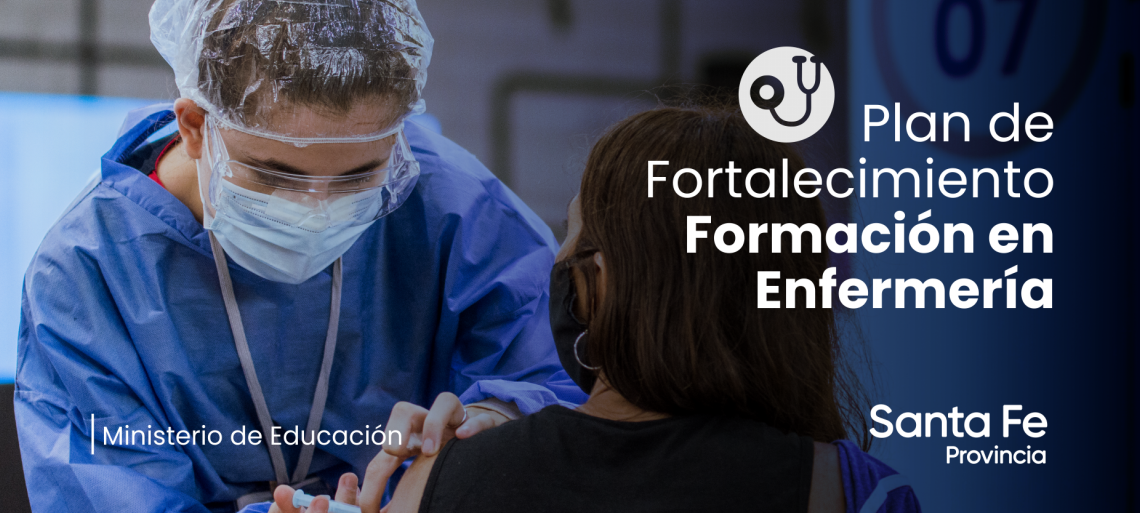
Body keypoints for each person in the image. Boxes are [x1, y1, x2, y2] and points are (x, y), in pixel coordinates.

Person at [14, 0, 582, 513]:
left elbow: (564, 377)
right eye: (277, 176)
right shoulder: (88, 276)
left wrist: (498, 424)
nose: (317, 210)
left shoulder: (452, 208)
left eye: (358, 177)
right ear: (196, 126)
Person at [269, 105, 921, 513]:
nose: (558, 260)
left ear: (600, 281)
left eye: (574, 233)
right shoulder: (855, 492)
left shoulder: (440, 479)